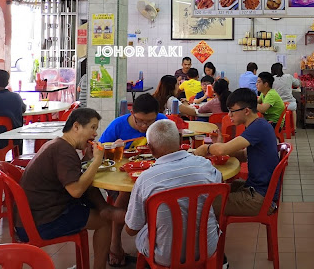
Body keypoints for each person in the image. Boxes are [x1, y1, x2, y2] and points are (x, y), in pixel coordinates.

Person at [18, 108, 125, 269]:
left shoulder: (57, 144)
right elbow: (76, 190)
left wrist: (87, 159)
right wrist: (96, 161)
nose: (95, 134)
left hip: (38, 214)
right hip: (42, 222)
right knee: (104, 222)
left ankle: (104, 208)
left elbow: (73, 176)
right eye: (93, 127)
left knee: (89, 186)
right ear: (76, 126)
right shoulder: (63, 151)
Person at [124, 119, 223, 267]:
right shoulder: (204, 164)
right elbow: (220, 185)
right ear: (180, 140)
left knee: (145, 230)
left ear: (150, 148)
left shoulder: (145, 179)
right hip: (207, 248)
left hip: (165, 256)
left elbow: (131, 230)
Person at [99, 93, 167, 266]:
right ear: (132, 113)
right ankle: (115, 244)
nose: (144, 126)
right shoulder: (118, 125)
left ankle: (160, 244)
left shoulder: (162, 121)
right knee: (125, 193)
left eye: (149, 122)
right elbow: (99, 151)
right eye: (140, 121)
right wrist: (113, 149)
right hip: (120, 177)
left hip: (151, 174)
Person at [194, 88, 279, 217]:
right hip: (258, 188)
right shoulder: (260, 125)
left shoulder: (257, 128)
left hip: (260, 197)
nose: (229, 115)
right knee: (215, 189)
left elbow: (222, 150)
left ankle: (207, 235)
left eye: (232, 111)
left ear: (246, 111)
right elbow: (245, 155)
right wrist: (222, 146)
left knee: (205, 203)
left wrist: (206, 149)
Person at [271, 62, 300, 131]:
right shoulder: (288, 76)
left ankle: (277, 126)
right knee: (293, 107)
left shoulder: (271, 79)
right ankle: (294, 128)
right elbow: (297, 83)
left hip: (277, 105)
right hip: (289, 104)